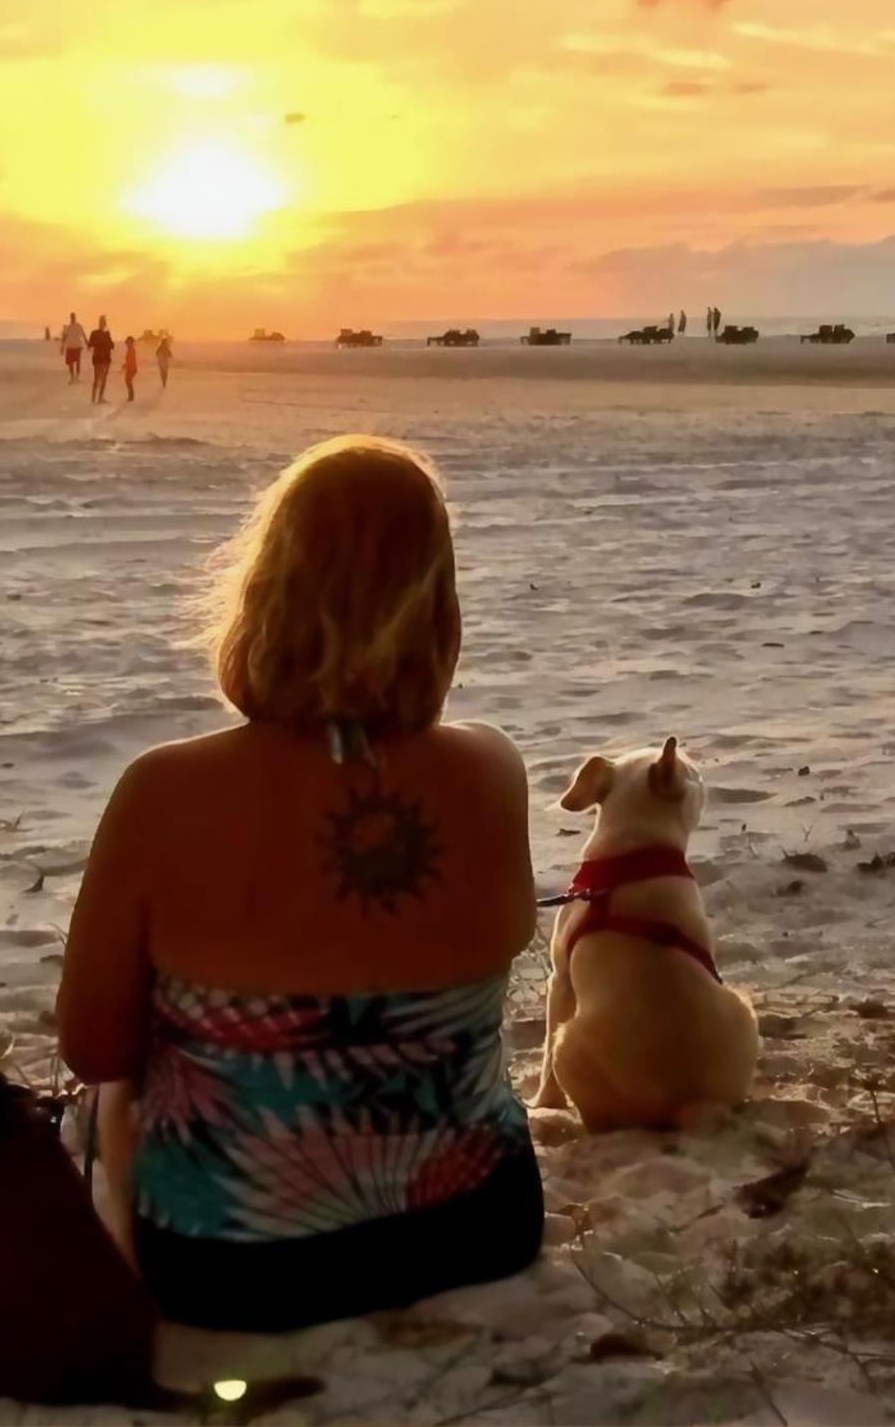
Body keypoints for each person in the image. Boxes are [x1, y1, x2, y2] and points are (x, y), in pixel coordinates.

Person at [57, 436, 543, 1332]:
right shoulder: (492, 769)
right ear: (437, 606)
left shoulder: (166, 791)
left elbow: (94, 1050)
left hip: (239, 1270)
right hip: (478, 1229)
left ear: (266, 589)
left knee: (99, 1108)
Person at [87, 315, 115, 403]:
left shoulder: (102, 333)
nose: (103, 323)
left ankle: (96, 398)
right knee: (99, 379)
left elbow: (90, 345)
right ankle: (96, 398)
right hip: (101, 359)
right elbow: (111, 345)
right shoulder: (101, 333)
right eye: (103, 321)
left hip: (102, 359)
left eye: (103, 321)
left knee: (100, 379)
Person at [60, 313, 88, 384]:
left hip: (77, 347)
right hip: (70, 347)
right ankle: (73, 377)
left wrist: (87, 343)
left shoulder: (78, 326)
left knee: (77, 362)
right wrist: (62, 346)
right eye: (72, 317)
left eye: (73, 317)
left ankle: (77, 377)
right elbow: (64, 337)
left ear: (75, 317)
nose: (73, 318)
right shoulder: (68, 327)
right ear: (71, 317)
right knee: (71, 363)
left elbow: (83, 335)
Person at [122, 335, 139, 402]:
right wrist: (125, 365)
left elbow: (131, 360)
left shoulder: (131, 349)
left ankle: (131, 397)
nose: (127, 344)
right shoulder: (130, 349)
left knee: (128, 381)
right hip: (130, 368)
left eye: (129, 342)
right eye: (127, 342)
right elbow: (129, 360)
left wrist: (126, 365)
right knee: (128, 382)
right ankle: (131, 396)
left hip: (131, 368)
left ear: (131, 342)